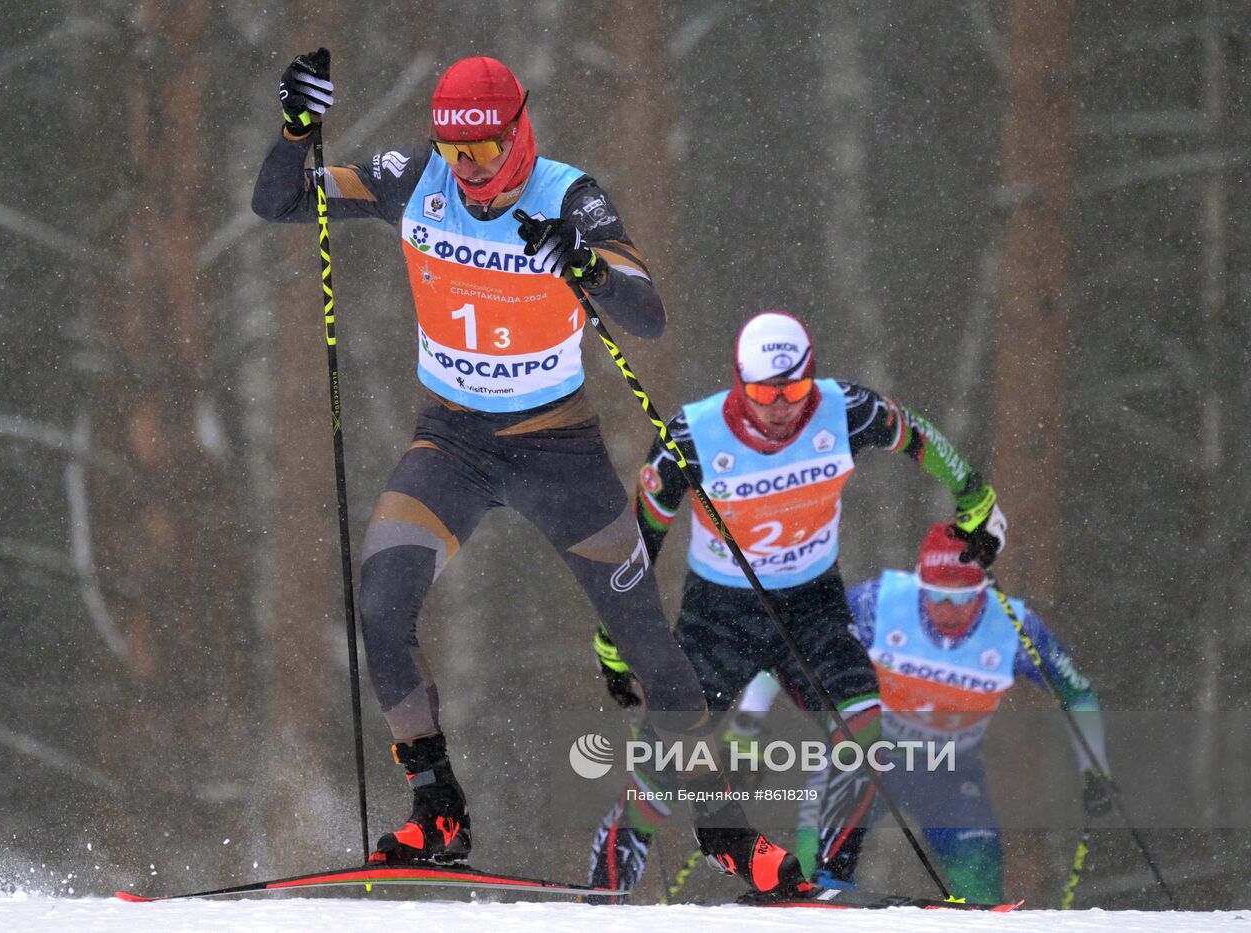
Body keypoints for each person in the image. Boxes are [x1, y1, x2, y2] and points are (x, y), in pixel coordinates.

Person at [251, 52, 809, 896]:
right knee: (380, 602)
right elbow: (281, 199)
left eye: (481, 150)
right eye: (453, 148)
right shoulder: (416, 179)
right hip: (451, 443)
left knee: (645, 643)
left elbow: (645, 311)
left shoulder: (570, 196)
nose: (466, 169)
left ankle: (727, 832)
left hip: (558, 448)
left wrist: (583, 266)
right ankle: (437, 806)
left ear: (517, 133)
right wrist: (298, 128)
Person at [588, 310, 1009, 897]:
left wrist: (974, 497)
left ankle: (827, 883)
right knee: (668, 759)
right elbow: (639, 543)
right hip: (721, 615)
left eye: (795, 388)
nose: (781, 405)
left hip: (812, 606)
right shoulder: (693, 435)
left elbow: (917, 436)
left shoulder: (845, 410)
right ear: (740, 382)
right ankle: (608, 876)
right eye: (764, 391)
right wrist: (614, 639)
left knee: (864, 727)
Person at [732, 523, 1109, 903]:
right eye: (935, 595)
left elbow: (1077, 694)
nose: (947, 611)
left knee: (980, 871)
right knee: (813, 859)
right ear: (919, 580)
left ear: (984, 589)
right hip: (867, 755)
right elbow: (787, 653)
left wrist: (1095, 768)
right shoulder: (878, 603)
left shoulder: (1014, 626)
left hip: (949, 766)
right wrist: (747, 725)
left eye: (963, 599)